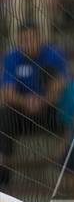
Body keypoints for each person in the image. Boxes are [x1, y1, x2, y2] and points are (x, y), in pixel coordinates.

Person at [0, 23, 66, 187]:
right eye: (24, 39)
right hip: (22, 113)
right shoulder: (11, 57)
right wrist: (26, 101)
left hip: (49, 110)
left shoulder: (53, 53)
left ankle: (67, 169)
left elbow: (61, 85)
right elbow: (6, 92)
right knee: (3, 116)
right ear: (18, 40)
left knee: (71, 113)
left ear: (40, 38)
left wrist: (41, 101)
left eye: (32, 38)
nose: (28, 43)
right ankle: (3, 174)